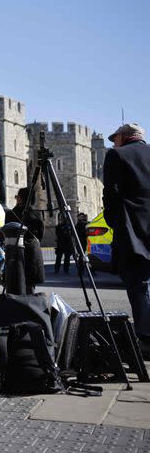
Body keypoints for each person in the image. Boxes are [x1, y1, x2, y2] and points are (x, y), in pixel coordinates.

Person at [102, 123, 150, 360]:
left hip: (134, 231)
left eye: (115, 138)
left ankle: (147, 338)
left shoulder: (117, 155)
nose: (113, 143)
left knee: (139, 285)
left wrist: (115, 222)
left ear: (124, 137)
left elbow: (111, 193)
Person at [75, 213, 89, 277]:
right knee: (81, 256)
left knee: (84, 256)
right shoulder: (78, 225)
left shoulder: (85, 224)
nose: (80, 218)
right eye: (79, 217)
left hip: (85, 241)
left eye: (81, 217)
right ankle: (81, 271)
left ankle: (89, 270)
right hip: (80, 241)